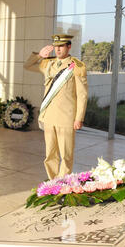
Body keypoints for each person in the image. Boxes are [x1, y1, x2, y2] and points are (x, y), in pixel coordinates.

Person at [24, 34, 89, 180]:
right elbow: (27, 66)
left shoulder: (77, 66)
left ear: (69, 46)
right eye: (56, 46)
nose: (58, 49)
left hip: (67, 117)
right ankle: (53, 182)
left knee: (66, 154)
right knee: (50, 154)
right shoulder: (48, 64)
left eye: (61, 46)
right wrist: (39, 55)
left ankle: (63, 182)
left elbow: (82, 95)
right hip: (49, 116)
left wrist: (79, 118)